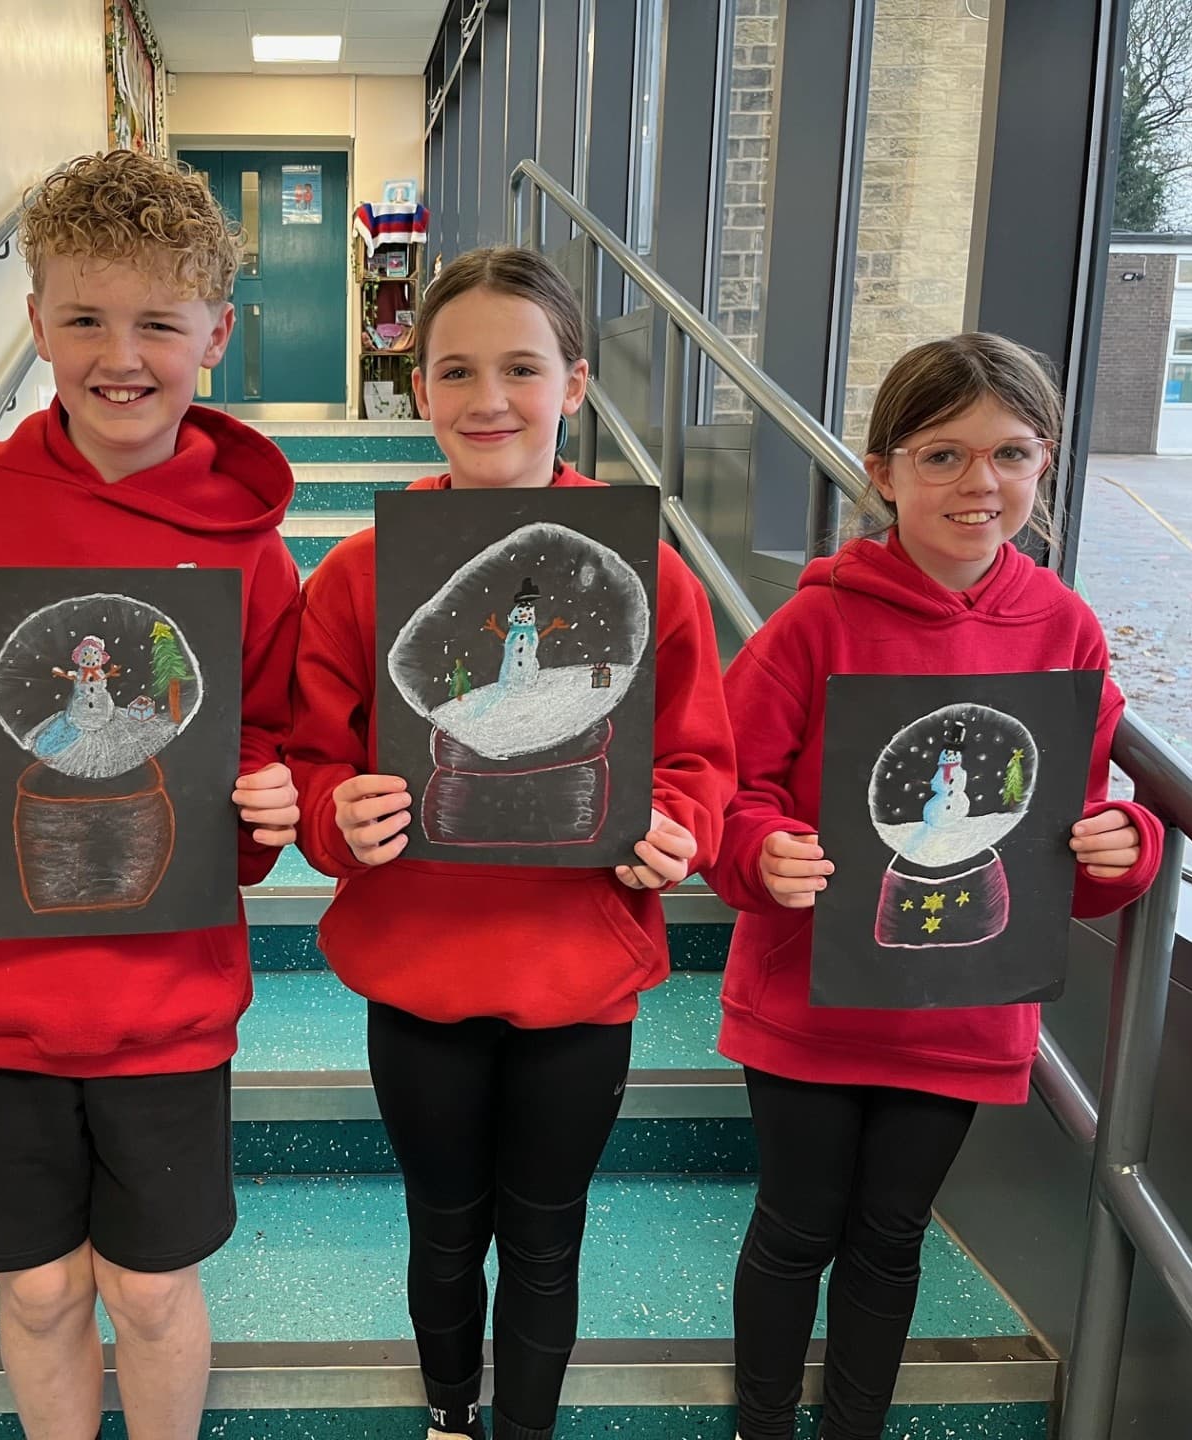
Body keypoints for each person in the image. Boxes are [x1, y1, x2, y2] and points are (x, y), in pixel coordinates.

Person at [0, 149, 301, 1440]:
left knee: (152, 1293)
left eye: (160, 321)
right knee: (38, 1291)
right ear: (35, 322)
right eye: (85, 317)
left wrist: (266, 804)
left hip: (165, 991)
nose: (122, 353)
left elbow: (269, 732)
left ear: (216, 330)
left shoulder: (248, 549)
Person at [286, 246, 738, 1440]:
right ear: (419, 388)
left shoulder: (653, 577)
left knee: (545, 1232)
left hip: (577, 972)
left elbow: (696, 756)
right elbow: (309, 755)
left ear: (575, 384)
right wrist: (338, 814)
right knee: (443, 1222)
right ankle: (448, 1414)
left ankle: (525, 1428)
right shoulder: (358, 572)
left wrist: (680, 829)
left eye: (522, 368)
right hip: (419, 964)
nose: (490, 398)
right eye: (457, 371)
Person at [708, 333, 1165, 1440]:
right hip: (810, 1000)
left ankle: (852, 1426)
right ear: (884, 470)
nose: (980, 485)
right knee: (794, 1229)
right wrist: (759, 851)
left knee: (891, 1235)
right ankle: (763, 1422)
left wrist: (1127, 845)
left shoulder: (1067, 632)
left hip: (962, 1012)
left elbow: (1065, 835)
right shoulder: (814, 624)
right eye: (943, 455)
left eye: (1009, 455)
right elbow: (725, 792)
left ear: (1045, 465)